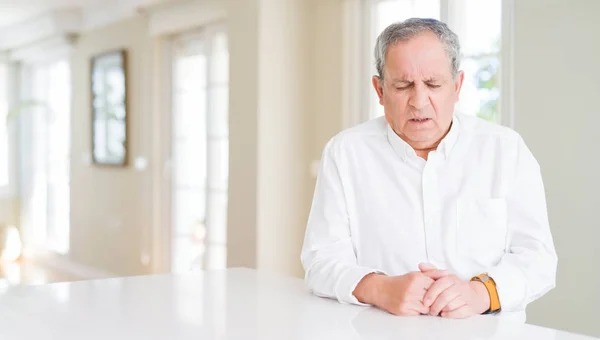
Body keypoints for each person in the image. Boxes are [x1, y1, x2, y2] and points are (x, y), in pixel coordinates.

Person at [300, 18, 557, 319]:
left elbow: (539, 259)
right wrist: (381, 288)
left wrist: (479, 293)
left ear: (457, 86)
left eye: (433, 84)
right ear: (379, 90)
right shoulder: (345, 153)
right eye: (402, 86)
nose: (419, 101)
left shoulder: (506, 150)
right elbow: (321, 260)